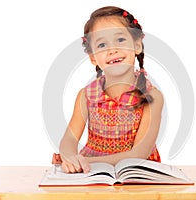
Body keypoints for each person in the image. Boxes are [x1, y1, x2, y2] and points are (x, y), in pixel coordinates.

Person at [52, 6, 164, 173]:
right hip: (93, 175)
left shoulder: (151, 96)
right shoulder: (86, 96)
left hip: (136, 175)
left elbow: (139, 154)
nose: (112, 50)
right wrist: (69, 157)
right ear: (93, 58)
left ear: (137, 45)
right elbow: (68, 140)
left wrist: (85, 161)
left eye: (120, 40)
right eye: (102, 44)